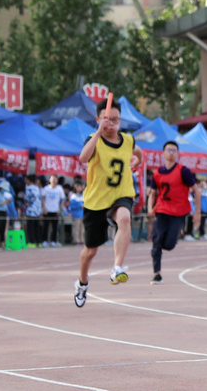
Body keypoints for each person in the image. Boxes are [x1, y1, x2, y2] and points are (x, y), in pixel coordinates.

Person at [73, 98, 143, 308]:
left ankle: (117, 268)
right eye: (108, 119)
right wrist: (97, 133)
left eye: (116, 119)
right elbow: (83, 158)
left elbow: (139, 153)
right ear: (98, 119)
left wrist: (137, 161)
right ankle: (82, 282)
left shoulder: (128, 140)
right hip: (96, 200)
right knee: (90, 252)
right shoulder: (93, 140)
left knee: (125, 218)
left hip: (121, 194)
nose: (112, 123)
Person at [147, 140, 201, 285]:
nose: (171, 153)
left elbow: (196, 191)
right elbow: (152, 193)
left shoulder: (183, 171)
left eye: (174, 151)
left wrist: (197, 213)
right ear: (163, 153)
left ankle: (167, 239)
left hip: (179, 212)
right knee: (156, 241)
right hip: (162, 210)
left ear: (177, 154)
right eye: (168, 150)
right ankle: (157, 274)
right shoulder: (157, 173)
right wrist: (149, 208)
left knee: (169, 244)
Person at [41, 175, 66, 248]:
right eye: (53, 179)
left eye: (55, 179)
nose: (54, 181)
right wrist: (44, 208)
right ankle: (44, 241)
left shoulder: (59, 188)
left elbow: (63, 199)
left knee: (55, 227)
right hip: (47, 210)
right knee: (45, 226)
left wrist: (60, 209)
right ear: (50, 180)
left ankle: (53, 241)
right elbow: (43, 199)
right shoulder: (46, 188)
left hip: (56, 210)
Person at [24, 174, 43, 248]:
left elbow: (27, 199)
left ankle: (32, 242)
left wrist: (26, 203)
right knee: (37, 227)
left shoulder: (28, 188)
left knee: (31, 227)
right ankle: (39, 242)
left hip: (31, 210)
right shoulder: (37, 188)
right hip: (37, 210)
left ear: (29, 180)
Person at [67, 180, 85, 246]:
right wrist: (80, 205)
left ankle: (82, 240)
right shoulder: (73, 196)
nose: (79, 188)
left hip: (82, 214)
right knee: (76, 228)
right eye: (78, 187)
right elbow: (72, 205)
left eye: (80, 186)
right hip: (76, 215)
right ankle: (76, 240)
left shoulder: (83, 195)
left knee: (82, 229)